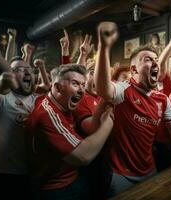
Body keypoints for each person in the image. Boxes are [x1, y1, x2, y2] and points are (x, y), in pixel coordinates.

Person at [94, 22, 171, 196]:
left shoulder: (163, 99)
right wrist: (104, 47)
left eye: (156, 59)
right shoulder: (123, 89)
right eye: (148, 59)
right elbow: (102, 89)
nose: (155, 62)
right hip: (120, 175)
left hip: (150, 171)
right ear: (134, 69)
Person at [25, 64, 114, 200]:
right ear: (57, 87)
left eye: (83, 85)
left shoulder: (62, 104)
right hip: (56, 189)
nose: (81, 90)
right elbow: (84, 156)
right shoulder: (47, 114)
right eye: (75, 84)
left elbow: (91, 127)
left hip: (74, 178)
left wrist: (105, 100)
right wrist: (109, 123)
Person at [0, 56, 37, 199]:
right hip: (7, 176)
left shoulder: (37, 98)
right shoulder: (3, 96)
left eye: (29, 70)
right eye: (20, 70)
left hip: (36, 173)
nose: (27, 73)